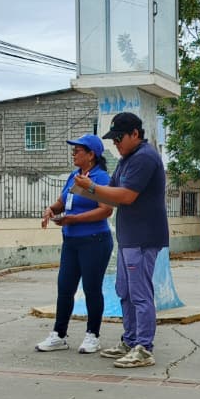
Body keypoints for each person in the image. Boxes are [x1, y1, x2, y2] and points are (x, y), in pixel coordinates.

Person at [73, 112, 168, 368]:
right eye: (113, 140)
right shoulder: (127, 160)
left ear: (135, 134)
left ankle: (144, 348)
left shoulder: (145, 157)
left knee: (140, 293)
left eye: (119, 138)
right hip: (129, 238)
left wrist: (91, 187)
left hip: (143, 237)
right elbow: (111, 197)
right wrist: (84, 189)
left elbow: (126, 196)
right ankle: (130, 340)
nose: (116, 144)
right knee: (125, 291)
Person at [35, 134, 114, 354]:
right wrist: (51, 209)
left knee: (91, 288)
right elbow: (63, 201)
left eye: (78, 150)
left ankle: (93, 335)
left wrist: (75, 219)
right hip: (71, 240)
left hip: (95, 240)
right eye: (74, 150)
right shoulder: (75, 175)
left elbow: (106, 210)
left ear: (91, 155)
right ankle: (59, 335)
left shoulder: (100, 178)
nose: (73, 154)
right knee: (65, 288)